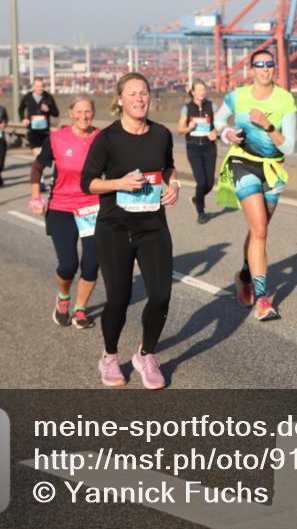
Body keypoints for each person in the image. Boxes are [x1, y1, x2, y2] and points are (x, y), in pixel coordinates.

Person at [80, 72, 179, 389]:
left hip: (153, 226)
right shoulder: (107, 139)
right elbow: (88, 182)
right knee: (119, 299)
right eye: (133, 93)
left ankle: (146, 355)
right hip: (115, 228)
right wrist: (119, 183)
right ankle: (109, 356)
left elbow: (168, 167)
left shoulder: (162, 134)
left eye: (144, 93)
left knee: (161, 295)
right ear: (120, 99)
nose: (139, 98)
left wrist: (173, 184)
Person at [213, 49, 297, 321]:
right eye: (259, 65)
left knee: (258, 230)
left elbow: (291, 146)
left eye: (269, 64)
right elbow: (217, 119)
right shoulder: (238, 96)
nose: (265, 69)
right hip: (243, 163)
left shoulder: (286, 100)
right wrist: (228, 134)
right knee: (260, 229)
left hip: (272, 170)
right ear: (251, 70)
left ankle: (245, 275)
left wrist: (268, 125)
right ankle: (263, 300)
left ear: (275, 68)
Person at [30, 95, 100, 330]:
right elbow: (38, 166)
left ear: (93, 113)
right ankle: (63, 297)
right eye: (78, 111)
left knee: (91, 264)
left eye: (88, 111)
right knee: (69, 265)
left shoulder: (102, 138)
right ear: (70, 113)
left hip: (92, 207)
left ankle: (80, 309)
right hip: (62, 208)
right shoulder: (57, 138)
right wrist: (35, 197)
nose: (83, 116)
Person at [177, 80, 218, 224]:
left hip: (209, 147)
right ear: (193, 92)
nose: (202, 92)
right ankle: (201, 212)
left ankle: (196, 198)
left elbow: (220, 124)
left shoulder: (212, 106)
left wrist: (215, 132)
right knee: (201, 182)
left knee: (210, 183)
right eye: (199, 90)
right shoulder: (186, 109)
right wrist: (189, 127)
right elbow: (179, 129)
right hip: (193, 148)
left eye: (203, 90)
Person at [19, 77, 59, 190]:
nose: (39, 88)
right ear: (33, 87)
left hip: (45, 131)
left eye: (41, 86)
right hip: (33, 130)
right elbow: (20, 109)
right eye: (37, 86)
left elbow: (56, 113)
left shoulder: (48, 97)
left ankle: (52, 178)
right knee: (38, 155)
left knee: (49, 155)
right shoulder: (27, 97)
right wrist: (23, 119)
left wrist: (48, 110)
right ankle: (40, 180)